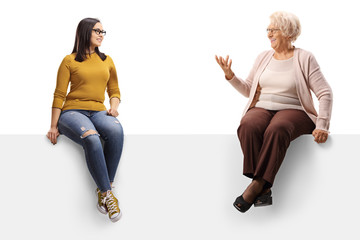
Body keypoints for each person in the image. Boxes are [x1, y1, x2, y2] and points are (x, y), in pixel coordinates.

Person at [215, 11, 333, 213]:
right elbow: (248, 89)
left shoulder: (305, 58)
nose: (268, 34)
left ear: (287, 32)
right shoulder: (263, 57)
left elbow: (325, 92)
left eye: (273, 30)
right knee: (248, 125)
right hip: (263, 107)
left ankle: (255, 185)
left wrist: (322, 125)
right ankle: (264, 187)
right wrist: (231, 76)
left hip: (295, 110)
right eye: (267, 30)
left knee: (278, 128)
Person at [46, 18, 124, 222]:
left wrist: (114, 108)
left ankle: (103, 190)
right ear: (85, 32)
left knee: (116, 130)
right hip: (72, 112)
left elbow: (114, 90)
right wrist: (53, 126)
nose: (101, 34)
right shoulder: (69, 60)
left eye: (103, 31)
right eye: (97, 31)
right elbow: (59, 94)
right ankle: (108, 195)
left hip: (98, 111)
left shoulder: (107, 60)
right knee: (91, 138)